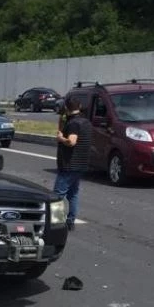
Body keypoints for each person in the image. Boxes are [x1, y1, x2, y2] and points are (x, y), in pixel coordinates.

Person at [53, 96, 92, 230]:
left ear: (66, 107)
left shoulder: (74, 123)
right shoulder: (85, 121)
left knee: (57, 195)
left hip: (69, 164)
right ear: (79, 106)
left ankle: (55, 221)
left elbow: (72, 141)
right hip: (81, 164)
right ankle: (71, 221)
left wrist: (61, 138)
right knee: (73, 193)